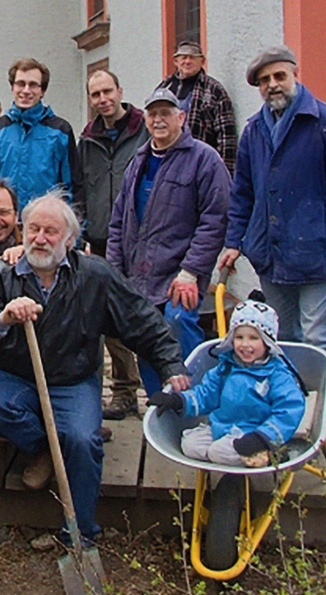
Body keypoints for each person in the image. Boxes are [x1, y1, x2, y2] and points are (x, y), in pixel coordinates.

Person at [0, 191, 187, 544]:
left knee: (83, 440)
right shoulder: (1, 273)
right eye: (33, 229)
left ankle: (80, 533)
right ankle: (47, 449)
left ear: (69, 239)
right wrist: (2, 317)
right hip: (18, 376)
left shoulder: (94, 276)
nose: (39, 238)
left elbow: (143, 322)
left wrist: (171, 364)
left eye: (50, 231)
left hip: (73, 380)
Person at [218, 45, 326, 348]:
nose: (272, 84)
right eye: (264, 80)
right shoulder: (254, 131)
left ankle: (316, 398)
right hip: (271, 257)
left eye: (279, 75)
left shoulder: (325, 124)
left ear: (295, 74)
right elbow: (243, 194)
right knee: (279, 340)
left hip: (319, 254)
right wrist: (233, 242)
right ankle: (288, 397)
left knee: (317, 343)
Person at [108, 88, 230, 395]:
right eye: (153, 114)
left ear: (182, 118)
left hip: (180, 276)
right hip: (139, 277)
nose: (158, 120)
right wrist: (114, 273)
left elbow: (215, 219)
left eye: (166, 113)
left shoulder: (204, 159)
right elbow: (119, 220)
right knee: (146, 337)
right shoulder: (139, 161)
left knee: (177, 326)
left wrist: (191, 271)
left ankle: (197, 405)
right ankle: (159, 407)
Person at [149, 298, 305, 468]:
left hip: (255, 433)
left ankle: (271, 454)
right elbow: (206, 394)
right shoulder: (226, 367)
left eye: (253, 338)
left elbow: (289, 409)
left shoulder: (276, 374)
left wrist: (263, 437)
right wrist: (178, 400)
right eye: (239, 337)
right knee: (190, 446)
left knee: (219, 452)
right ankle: (239, 459)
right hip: (222, 427)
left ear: (267, 342)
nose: (245, 345)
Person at [78, 69, 149, 420]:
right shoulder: (87, 140)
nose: (103, 99)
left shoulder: (145, 131)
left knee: (149, 315)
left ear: (120, 91)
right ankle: (124, 390)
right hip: (103, 240)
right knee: (111, 318)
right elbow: (80, 189)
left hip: (145, 241)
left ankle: (161, 392)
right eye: (95, 95)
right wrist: (84, 233)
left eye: (108, 91)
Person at [0, 58, 83, 213]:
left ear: (42, 91)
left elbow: (73, 186)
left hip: (46, 225)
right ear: (12, 87)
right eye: (20, 84)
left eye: (33, 85)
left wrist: (75, 231)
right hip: (6, 226)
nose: (26, 90)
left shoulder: (60, 131)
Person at [158, 41, 237, 174]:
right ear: (175, 61)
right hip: (166, 165)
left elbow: (226, 137)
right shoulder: (164, 88)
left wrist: (224, 173)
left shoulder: (214, 90)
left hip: (200, 167)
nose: (187, 61)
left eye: (193, 57)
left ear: (202, 61)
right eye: (183, 57)